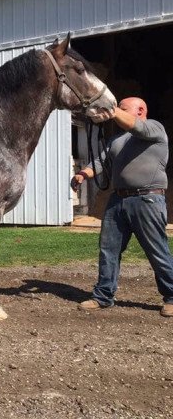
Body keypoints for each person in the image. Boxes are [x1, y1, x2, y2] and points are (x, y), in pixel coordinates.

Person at [71, 97, 173, 317]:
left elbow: (133, 125)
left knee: (156, 250)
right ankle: (103, 296)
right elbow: (100, 162)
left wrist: (111, 109)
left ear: (141, 110)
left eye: (122, 109)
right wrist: (82, 174)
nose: (116, 113)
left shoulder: (155, 128)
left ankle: (172, 296)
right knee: (109, 250)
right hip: (118, 200)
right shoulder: (116, 140)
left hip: (147, 200)